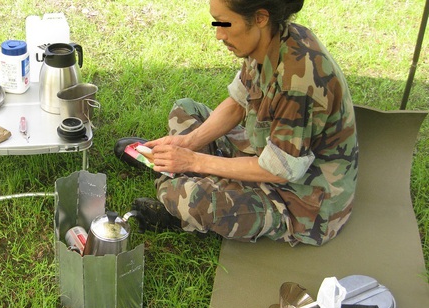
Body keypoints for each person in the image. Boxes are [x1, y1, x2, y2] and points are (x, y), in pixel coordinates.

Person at [115, 0, 357, 246]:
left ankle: (178, 192)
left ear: (260, 18)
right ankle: (174, 168)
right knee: (185, 110)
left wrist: (194, 160)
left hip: (302, 198)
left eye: (226, 24)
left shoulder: (298, 82)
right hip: (265, 148)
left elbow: (277, 171)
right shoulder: (270, 40)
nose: (219, 35)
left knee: (188, 199)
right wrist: (188, 143)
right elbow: (237, 103)